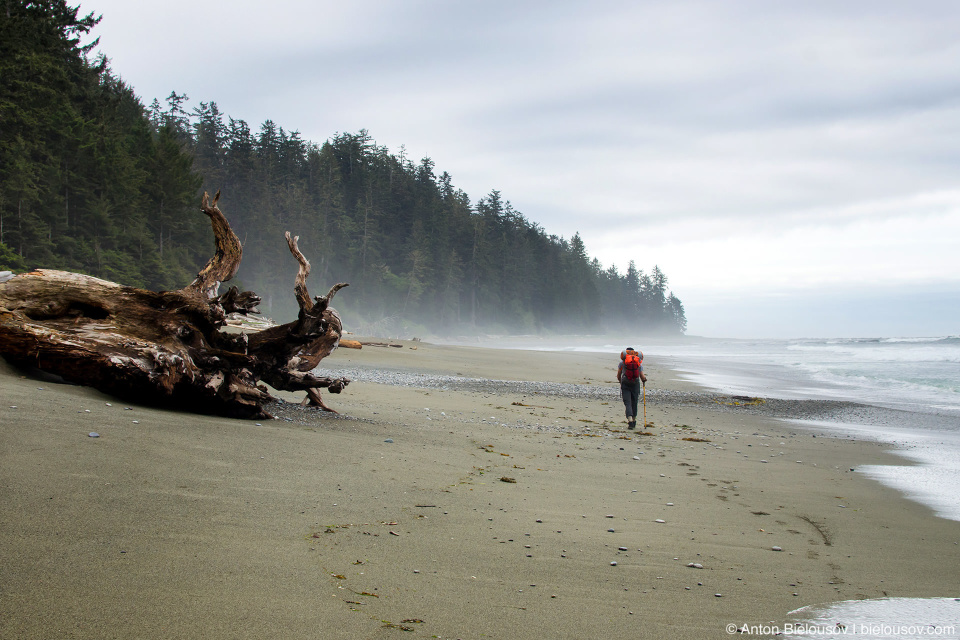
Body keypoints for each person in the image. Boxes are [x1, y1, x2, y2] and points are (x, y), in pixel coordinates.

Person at [617, 347, 647, 429]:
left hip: (625, 383)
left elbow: (618, 375)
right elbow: (642, 376)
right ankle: (634, 420)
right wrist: (644, 380)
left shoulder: (622, 363)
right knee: (634, 402)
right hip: (635, 384)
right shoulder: (638, 363)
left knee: (627, 402)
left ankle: (630, 420)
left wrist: (621, 382)